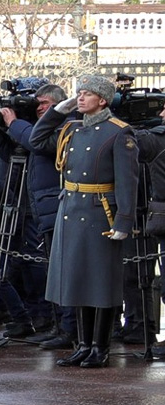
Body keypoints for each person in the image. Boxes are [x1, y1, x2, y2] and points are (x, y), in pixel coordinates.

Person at [31, 75, 140, 367]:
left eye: (87, 94)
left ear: (102, 100)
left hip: (99, 212)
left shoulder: (118, 132)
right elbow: (37, 140)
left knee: (100, 283)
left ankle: (100, 348)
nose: (80, 98)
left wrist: (123, 221)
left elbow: (128, 181)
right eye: (79, 93)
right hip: (71, 208)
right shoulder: (72, 128)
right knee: (78, 280)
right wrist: (57, 112)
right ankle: (83, 345)